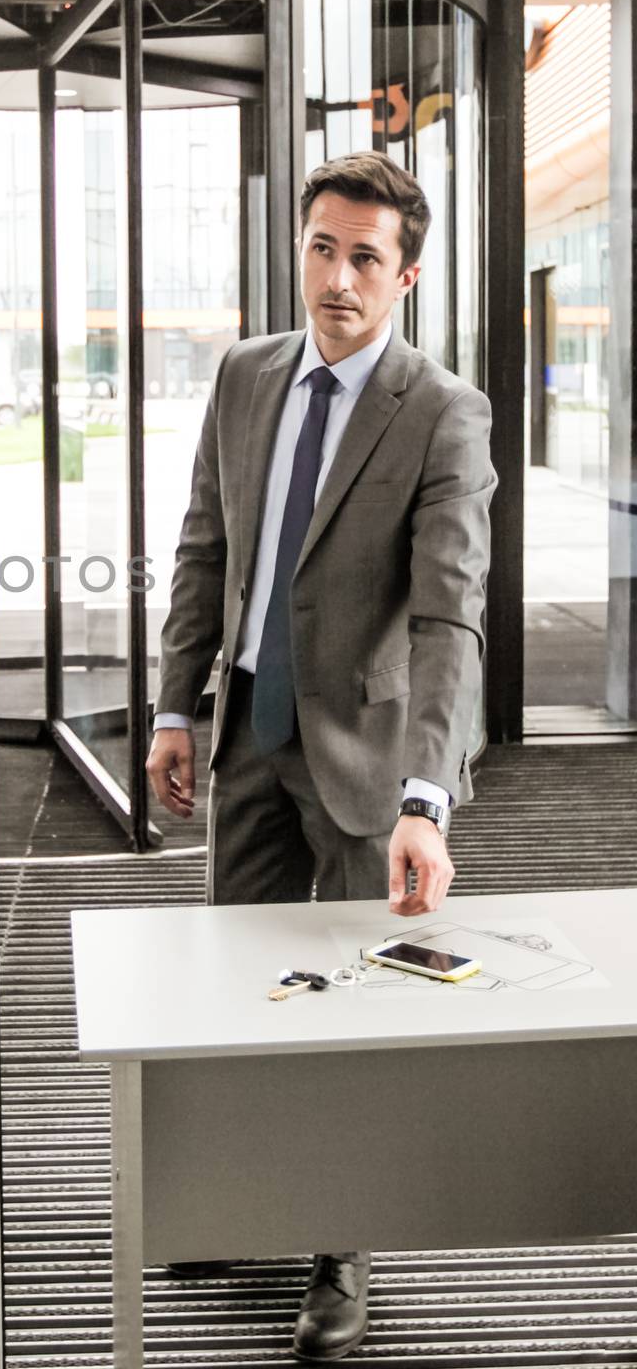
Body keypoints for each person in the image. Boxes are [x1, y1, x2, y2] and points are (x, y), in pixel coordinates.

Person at [146, 151, 495, 1362]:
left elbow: (450, 616)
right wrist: (176, 706)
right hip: (248, 735)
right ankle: (243, 1201)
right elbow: (204, 549)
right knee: (235, 989)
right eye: (319, 247)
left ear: (406, 274)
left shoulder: (442, 410)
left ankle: (340, 1252)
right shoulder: (246, 376)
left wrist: (423, 797)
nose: (336, 277)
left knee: (354, 1005)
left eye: (363, 258)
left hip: (367, 760)